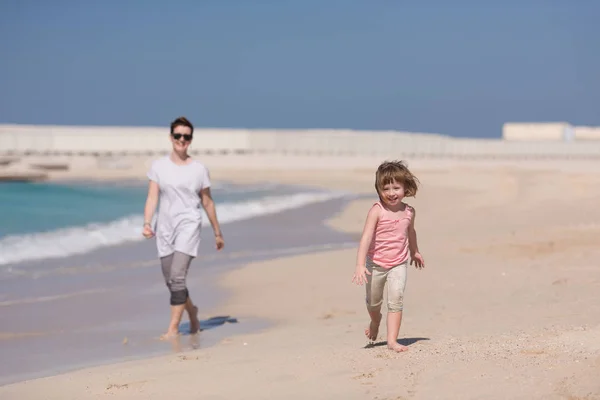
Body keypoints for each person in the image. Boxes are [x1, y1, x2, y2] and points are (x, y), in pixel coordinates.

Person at [142, 116, 225, 339]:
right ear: (171, 138)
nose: (182, 140)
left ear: (191, 140)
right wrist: (147, 223)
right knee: (171, 281)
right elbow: (152, 198)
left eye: (186, 137)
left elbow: (207, 201)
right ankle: (193, 312)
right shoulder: (158, 166)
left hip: (189, 226)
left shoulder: (199, 169)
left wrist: (217, 232)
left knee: (177, 278)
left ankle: (173, 329)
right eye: (178, 136)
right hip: (165, 228)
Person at [352, 160, 425, 352]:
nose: (391, 193)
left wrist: (415, 251)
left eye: (396, 187)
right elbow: (366, 237)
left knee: (396, 299)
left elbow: (411, 232)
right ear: (379, 190)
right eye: (386, 188)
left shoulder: (409, 212)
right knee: (374, 303)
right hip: (375, 264)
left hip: (398, 264)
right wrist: (360, 264)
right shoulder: (377, 210)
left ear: (405, 188)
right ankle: (375, 321)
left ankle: (392, 341)